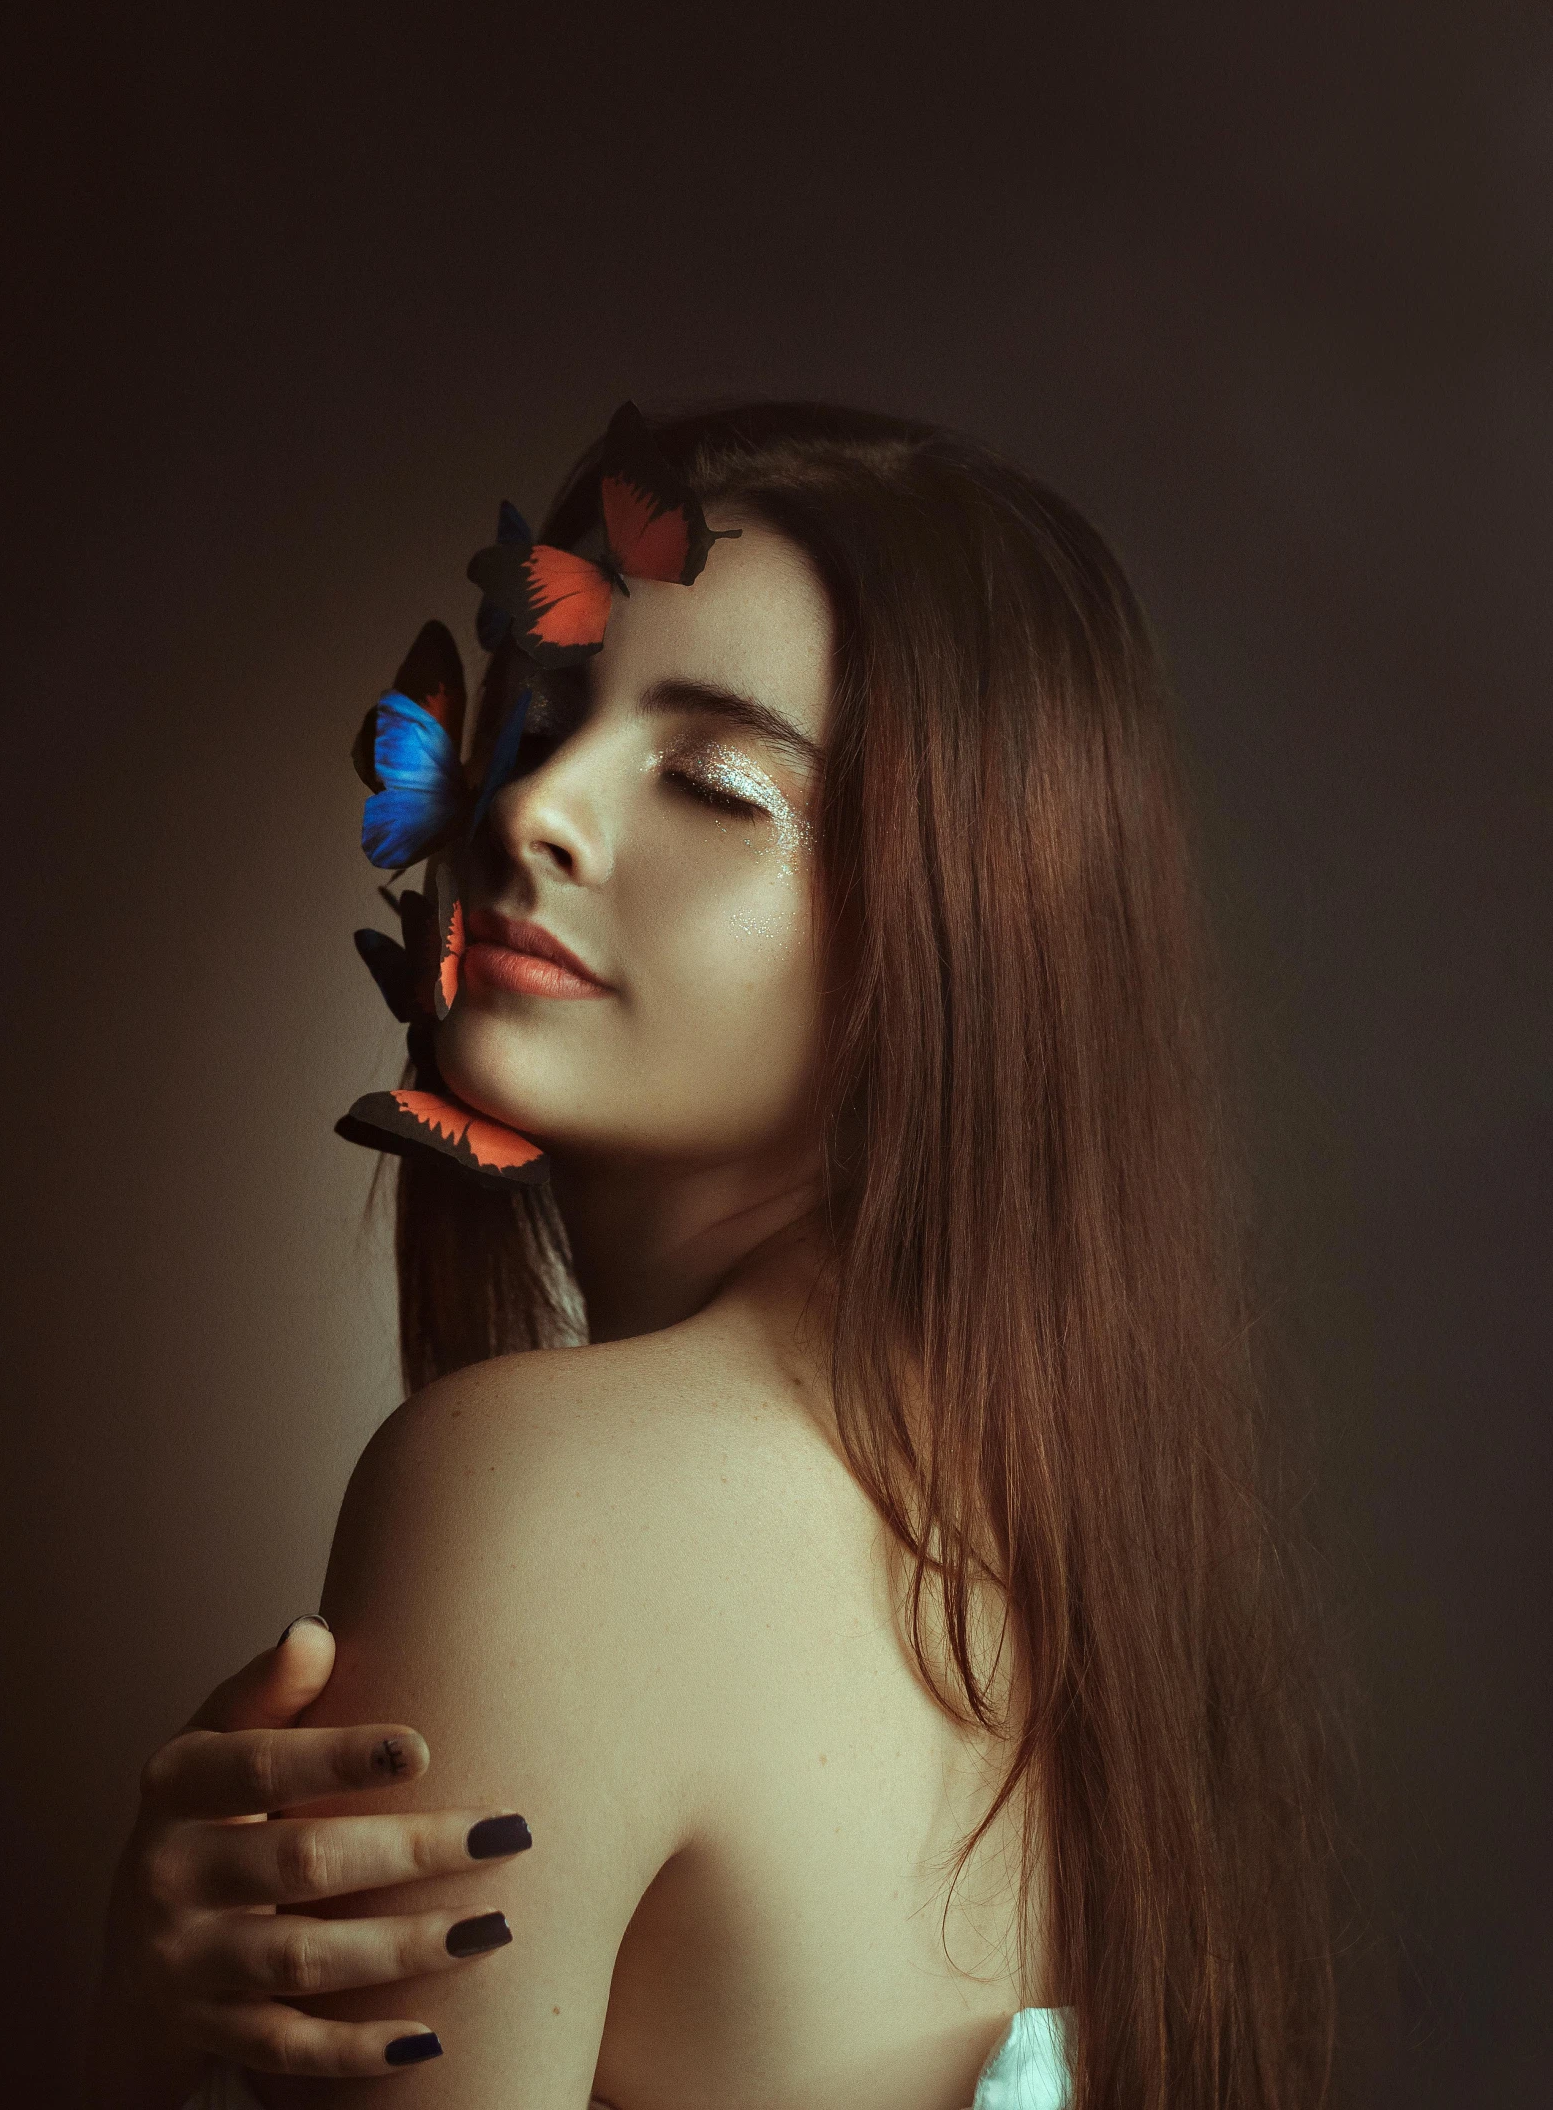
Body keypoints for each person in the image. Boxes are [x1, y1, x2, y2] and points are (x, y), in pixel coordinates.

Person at [86, 402, 1337, 2110]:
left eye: (714, 783)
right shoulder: (1073, 1552)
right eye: (545, 714)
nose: (535, 805)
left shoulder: (552, 1494)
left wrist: (136, 2053)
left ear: (958, 934)